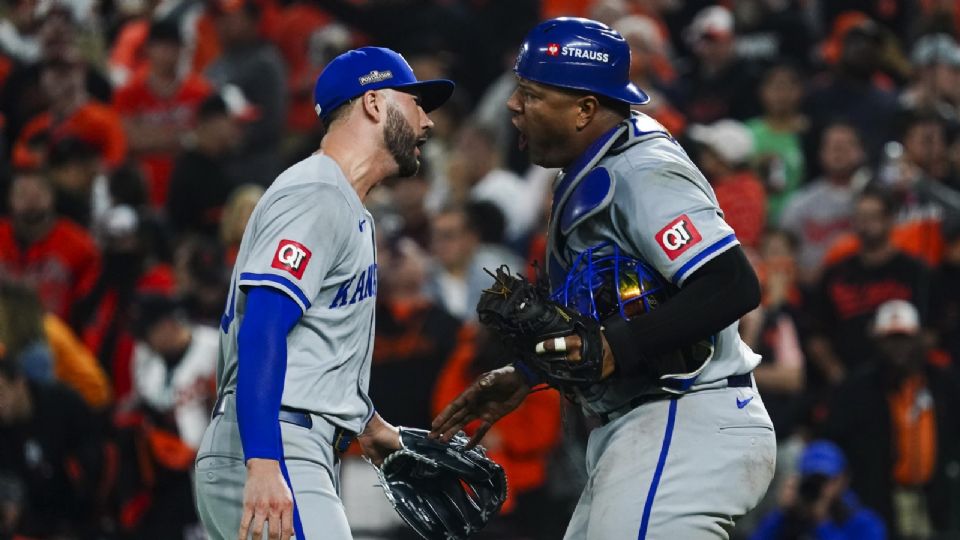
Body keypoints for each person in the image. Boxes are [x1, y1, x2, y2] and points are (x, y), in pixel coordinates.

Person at [431, 17, 776, 539]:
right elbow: (609, 313)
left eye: (531, 93)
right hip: (647, 427)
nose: (512, 105)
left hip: (684, 418)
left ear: (585, 109)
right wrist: (528, 373)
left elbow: (733, 285)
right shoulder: (594, 166)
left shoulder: (642, 170)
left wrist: (620, 344)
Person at [193, 46, 453, 539]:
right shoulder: (316, 192)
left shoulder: (344, 205)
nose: (427, 122)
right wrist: (265, 464)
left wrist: (368, 424)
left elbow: (312, 346)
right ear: (374, 103)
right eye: (415, 102)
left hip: (288, 442)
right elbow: (263, 329)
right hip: (277, 444)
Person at [820, 300, 960, 537]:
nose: (898, 347)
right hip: (877, 500)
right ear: (877, 341)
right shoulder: (856, 389)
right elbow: (833, 439)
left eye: (905, 338)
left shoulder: (943, 384)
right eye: (891, 339)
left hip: (936, 497)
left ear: (918, 340)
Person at [750, 440, 886, 540]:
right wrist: (781, 514)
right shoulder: (787, 519)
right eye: (812, 480)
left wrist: (822, 522)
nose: (819, 488)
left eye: (825, 480)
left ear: (843, 480)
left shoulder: (864, 522)